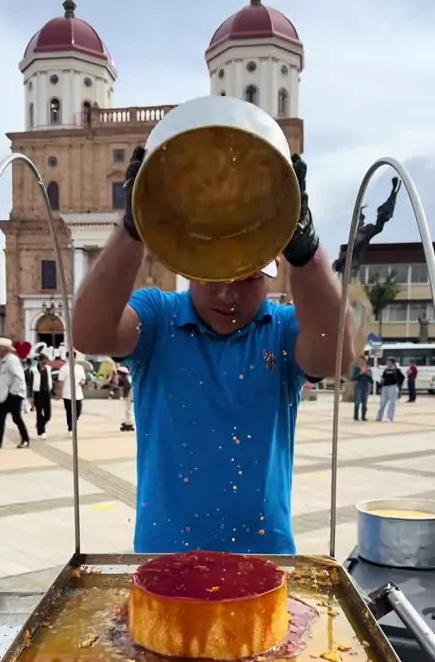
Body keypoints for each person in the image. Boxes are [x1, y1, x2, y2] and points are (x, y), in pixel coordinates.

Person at [72, 148, 354, 554]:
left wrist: (306, 252)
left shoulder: (281, 330)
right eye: (213, 275)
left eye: (247, 278)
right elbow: (89, 334)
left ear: (271, 274)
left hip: (264, 561)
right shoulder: (158, 318)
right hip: (167, 558)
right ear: (189, 268)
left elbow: (336, 356)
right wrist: (133, 229)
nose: (227, 294)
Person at [0, 337, 30, 449]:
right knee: (0, 416)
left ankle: (25, 439)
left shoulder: (12, 360)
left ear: (4, 349)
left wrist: (13, 392)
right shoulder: (1, 361)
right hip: (4, 394)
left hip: (14, 394)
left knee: (16, 417)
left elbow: (18, 377)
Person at [57, 354, 85, 434]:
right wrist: (58, 393)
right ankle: (70, 428)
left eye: (74, 357)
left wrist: (82, 382)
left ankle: (74, 422)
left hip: (78, 393)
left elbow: (83, 378)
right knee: (69, 412)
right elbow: (60, 381)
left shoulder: (80, 368)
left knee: (78, 411)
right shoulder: (64, 368)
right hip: (67, 394)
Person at [30, 353, 52, 438]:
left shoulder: (48, 369)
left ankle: (40, 424)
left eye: (46, 362)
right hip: (38, 393)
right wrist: (30, 396)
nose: (44, 364)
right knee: (39, 412)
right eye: (43, 362)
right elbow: (30, 383)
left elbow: (50, 380)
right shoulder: (33, 370)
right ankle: (41, 431)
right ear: (39, 361)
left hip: (47, 393)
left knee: (48, 415)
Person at [376, 358, 404, 423]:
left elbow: (402, 377)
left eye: (389, 363)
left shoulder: (396, 370)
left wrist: (398, 384)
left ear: (393, 363)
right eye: (387, 363)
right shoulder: (385, 370)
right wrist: (380, 387)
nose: (388, 364)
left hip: (392, 387)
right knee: (382, 403)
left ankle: (390, 417)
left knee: (392, 403)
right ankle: (379, 417)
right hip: (385, 387)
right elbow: (382, 379)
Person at [351, 355, 372, 421]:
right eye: (359, 361)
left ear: (365, 361)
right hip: (358, 384)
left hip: (366, 384)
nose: (361, 362)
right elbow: (353, 378)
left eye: (362, 360)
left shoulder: (368, 368)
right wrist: (360, 373)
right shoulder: (356, 368)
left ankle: (363, 416)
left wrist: (367, 374)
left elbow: (371, 379)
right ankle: (356, 416)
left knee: (364, 401)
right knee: (357, 401)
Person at [118, 365, 134, 432]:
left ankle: (128, 423)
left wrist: (126, 397)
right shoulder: (125, 380)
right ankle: (127, 421)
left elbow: (128, 390)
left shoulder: (126, 380)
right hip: (128, 396)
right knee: (127, 410)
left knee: (128, 410)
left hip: (129, 396)